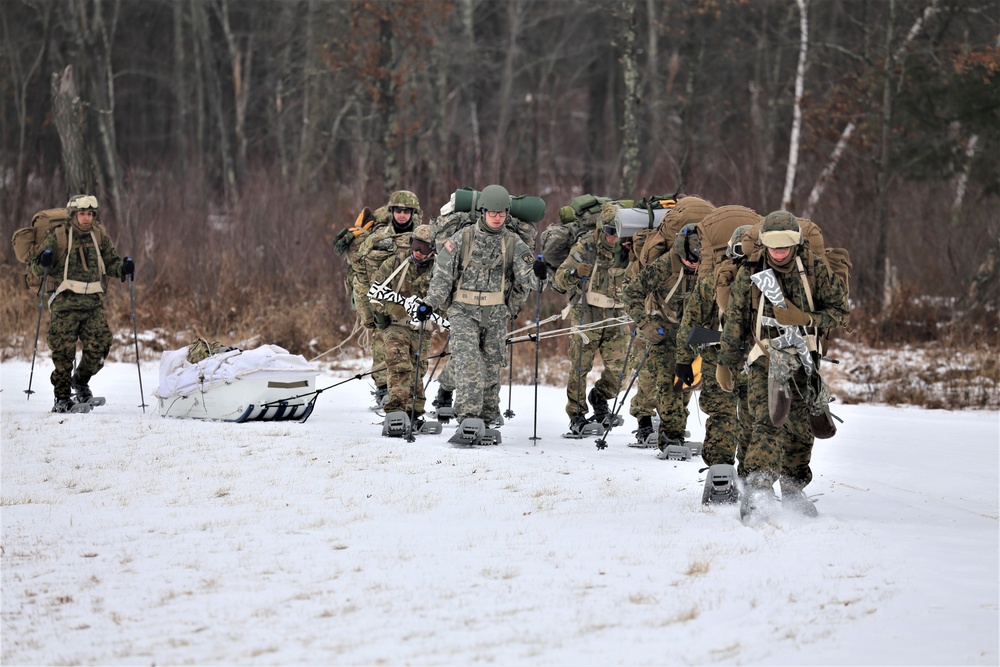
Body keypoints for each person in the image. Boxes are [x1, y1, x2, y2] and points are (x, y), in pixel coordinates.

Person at [717, 211, 849, 519]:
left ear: (797, 243)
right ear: (763, 244)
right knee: (767, 419)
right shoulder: (751, 271)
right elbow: (735, 321)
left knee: (801, 427)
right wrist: (726, 362)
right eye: (773, 246)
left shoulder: (815, 270)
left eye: (786, 246)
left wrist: (805, 319)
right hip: (764, 356)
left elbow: (841, 313)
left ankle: (793, 486)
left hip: (804, 357)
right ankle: (759, 488)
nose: (779, 253)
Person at [416, 185, 535, 427]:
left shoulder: (513, 243)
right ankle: (468, 418)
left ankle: (489, 416)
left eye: (502, 213)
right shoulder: (462, 238)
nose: (497, 217)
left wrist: (541, 274)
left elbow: (529, 278)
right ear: (483, 212)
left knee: (492, 368)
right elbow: (442, 276)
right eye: (493, 212)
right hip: (463, 312)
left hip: (496, 314)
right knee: (470, 364)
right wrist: (430, 303)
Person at [622, 196, 715, 456]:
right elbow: (631, 293)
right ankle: (670, 438)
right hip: (665, 330)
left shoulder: (710, 265)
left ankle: (674, 430)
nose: (693, 266)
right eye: (689, 261)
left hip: (695, 334)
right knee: (668, 384)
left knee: (686, 385)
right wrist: (645, 324)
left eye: (698, 261)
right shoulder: (666, 263)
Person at [29, 194, 133, 413]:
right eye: (82, 214)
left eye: (90, 214)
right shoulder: (58, 236)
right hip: (64, 303)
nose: (86, 218)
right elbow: (37, 268)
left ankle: (81, 381)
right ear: (73, 215)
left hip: (92, 303)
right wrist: (44, 260)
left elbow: (111, 262)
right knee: (64, 352)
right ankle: (62, 397)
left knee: (100, 345)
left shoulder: (98, 235)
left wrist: (123, 268)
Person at [675, 218, 757, 479]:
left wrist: (684, 361)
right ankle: (733, 471)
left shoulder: (715, 281)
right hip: (731, 358)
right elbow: (691, 324)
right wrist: (683, 361)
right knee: (738, 415)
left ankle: (732, 471)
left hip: (745, 359)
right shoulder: (715, 283)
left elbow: (689, 324)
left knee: (742, 416)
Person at [553, 202, 630, 435]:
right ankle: (576, 414)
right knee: (579, 366)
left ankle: (600, 397)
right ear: (601, 228)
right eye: (610, 232)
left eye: (619, 232)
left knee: (622, 369)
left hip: (616, 314)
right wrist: (576, 273)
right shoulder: (585, 246)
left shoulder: (629, 247)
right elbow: (559, 279)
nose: (614, 238)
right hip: (587, 312)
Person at [352, 190, 421, 409]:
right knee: (382, 344)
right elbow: (360, 270)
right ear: (391, 212)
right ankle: (383, 389)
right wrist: (366, 307)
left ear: (413, 213)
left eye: (407, 211)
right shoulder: (378, 238)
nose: (402, 215)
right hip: (381, 301)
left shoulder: (421, 238)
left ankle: (410, 396)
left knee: (413, 351)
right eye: (398, 211)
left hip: (411, 302)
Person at [369, 224, 437, 426]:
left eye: (423, 248)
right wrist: (393, 310)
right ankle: (396, 411)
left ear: (432, 249)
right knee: (399, 365)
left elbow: (444, 298)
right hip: (396, 324)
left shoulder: (439, 271)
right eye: (414, 245)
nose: (417, 251)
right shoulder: (394, 264)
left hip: (421, 327)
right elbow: (375, 293)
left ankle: (414, 412)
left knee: (418, 369)